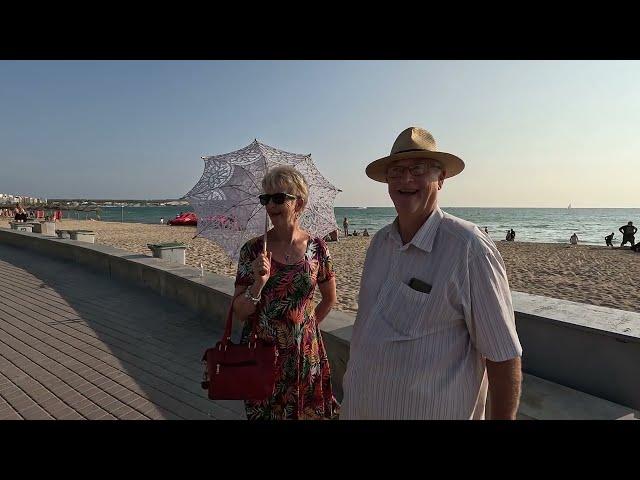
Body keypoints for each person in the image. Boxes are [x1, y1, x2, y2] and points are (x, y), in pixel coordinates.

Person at [341, 126, 522, 420]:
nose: (406, 179)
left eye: (418, 169)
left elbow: (503, 357)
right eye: (396, 171)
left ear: (441, 179)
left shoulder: (468, 247)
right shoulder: (379, 243)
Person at [232, 165, 339, 420]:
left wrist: (306, 329)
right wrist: (258, 283)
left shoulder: (318, 248)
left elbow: (329, 298)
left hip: (305, 355)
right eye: (265, 199)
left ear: (298, 203)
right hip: (264, 355)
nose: (271, 206)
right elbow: (238, 312)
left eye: (279, 198)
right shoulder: (253, 250)